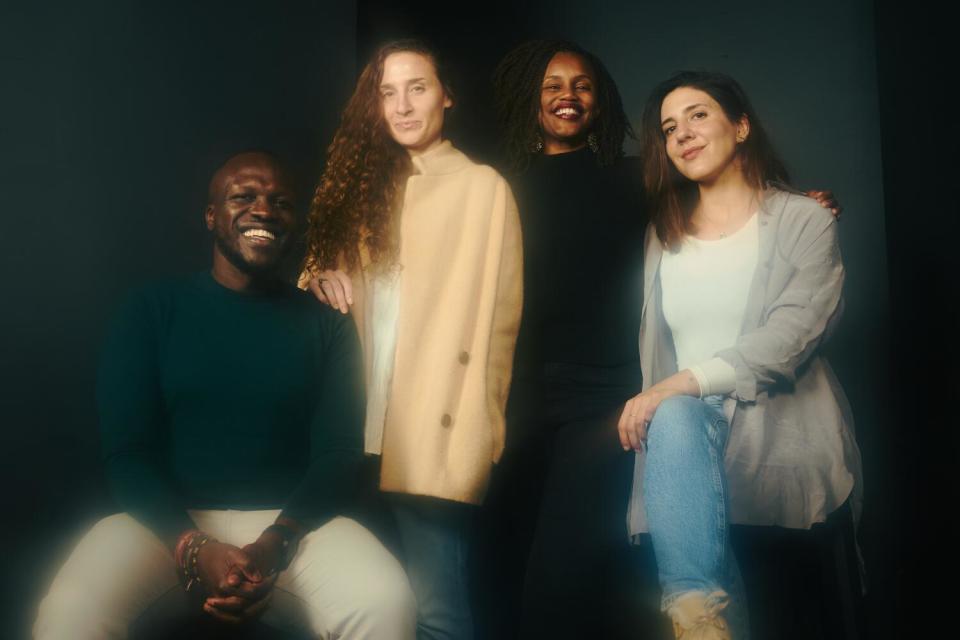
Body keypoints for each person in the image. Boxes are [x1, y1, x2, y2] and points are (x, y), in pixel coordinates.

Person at [33, 151, 416, 639]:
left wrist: (276, 543)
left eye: (280, 202)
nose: (264, 210)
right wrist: (192, 546)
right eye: (244, 197)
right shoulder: (152, 310)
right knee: (69, 613)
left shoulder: (327, 323)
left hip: (295, 523)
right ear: (211, 216)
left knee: (386, 602)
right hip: (167, 521)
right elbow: (127, 453)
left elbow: (339, 456)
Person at [620, 71, 863, 639]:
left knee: (795, 615)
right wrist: (672, 394)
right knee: (676, 416)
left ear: (742, 126)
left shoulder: (804, 219)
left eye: (699, 115)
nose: (682, 134)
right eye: (669, 127)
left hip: (781, 443)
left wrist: (680, 383)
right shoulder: (662, 236)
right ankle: (697, 622)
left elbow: (793, 335)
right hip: (684, 453)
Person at [299, 40, 523, 640]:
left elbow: (498, 326)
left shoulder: (484, 188)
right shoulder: (355, 188)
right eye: (387, 91)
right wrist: (318, 274)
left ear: (446, 95)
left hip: (432, 432)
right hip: (349, 427)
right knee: (354, 605)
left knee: (438, 612)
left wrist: (483, 435)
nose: (401, 105)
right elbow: (312, 285)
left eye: (417, 87)